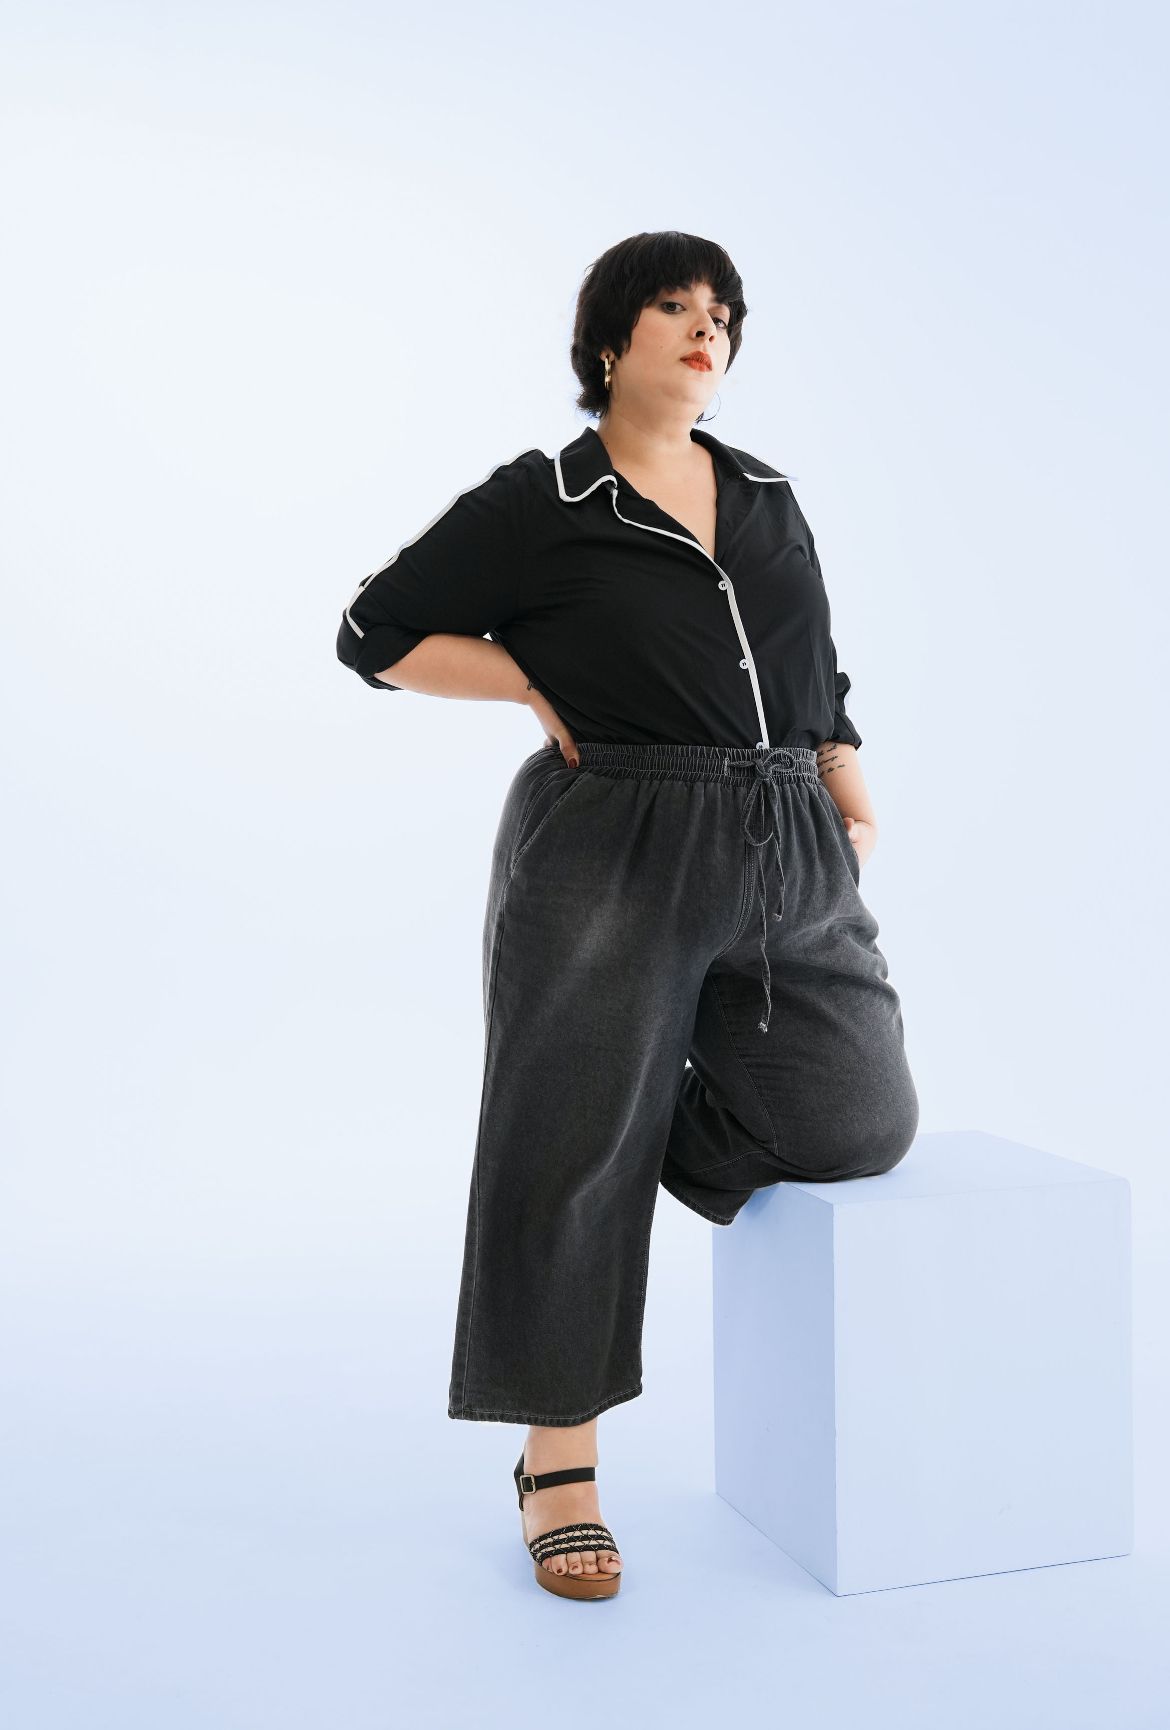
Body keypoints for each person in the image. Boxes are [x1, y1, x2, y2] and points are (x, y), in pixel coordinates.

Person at [336, 230, 920, 1600]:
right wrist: (528, 683)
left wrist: (840, 765)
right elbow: (373, 631)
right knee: (565, 1146)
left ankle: (627, 1122)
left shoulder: (764, 491)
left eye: (722, 311)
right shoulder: (541, 497)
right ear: (609, 342)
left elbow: (810, 651)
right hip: (613, 838)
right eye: (673, 306)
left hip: (784, 831)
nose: (705, 328)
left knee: (856, 1115)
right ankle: (560, 1460)